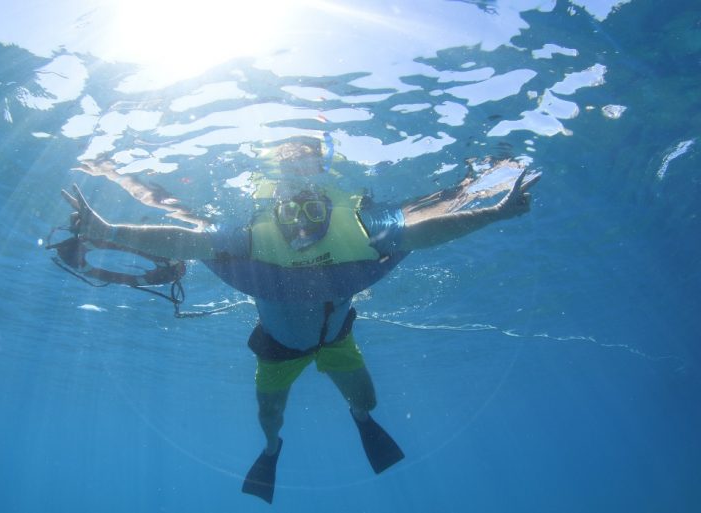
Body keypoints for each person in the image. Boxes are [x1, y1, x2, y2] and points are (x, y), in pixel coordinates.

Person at [61, 136, 539, 504]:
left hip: (336, 339)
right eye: (292, 211)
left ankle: (359, 418)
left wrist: (495, 212)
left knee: (367, 401)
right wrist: (108, 231)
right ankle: (272, 451)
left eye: (314, 209)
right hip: (278, 348)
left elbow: (423, 231)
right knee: (270, 417)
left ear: (329, 210)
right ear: (275, 211)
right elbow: (187, 241)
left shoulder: (360, 234)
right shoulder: (249, 239)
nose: (302, 223)